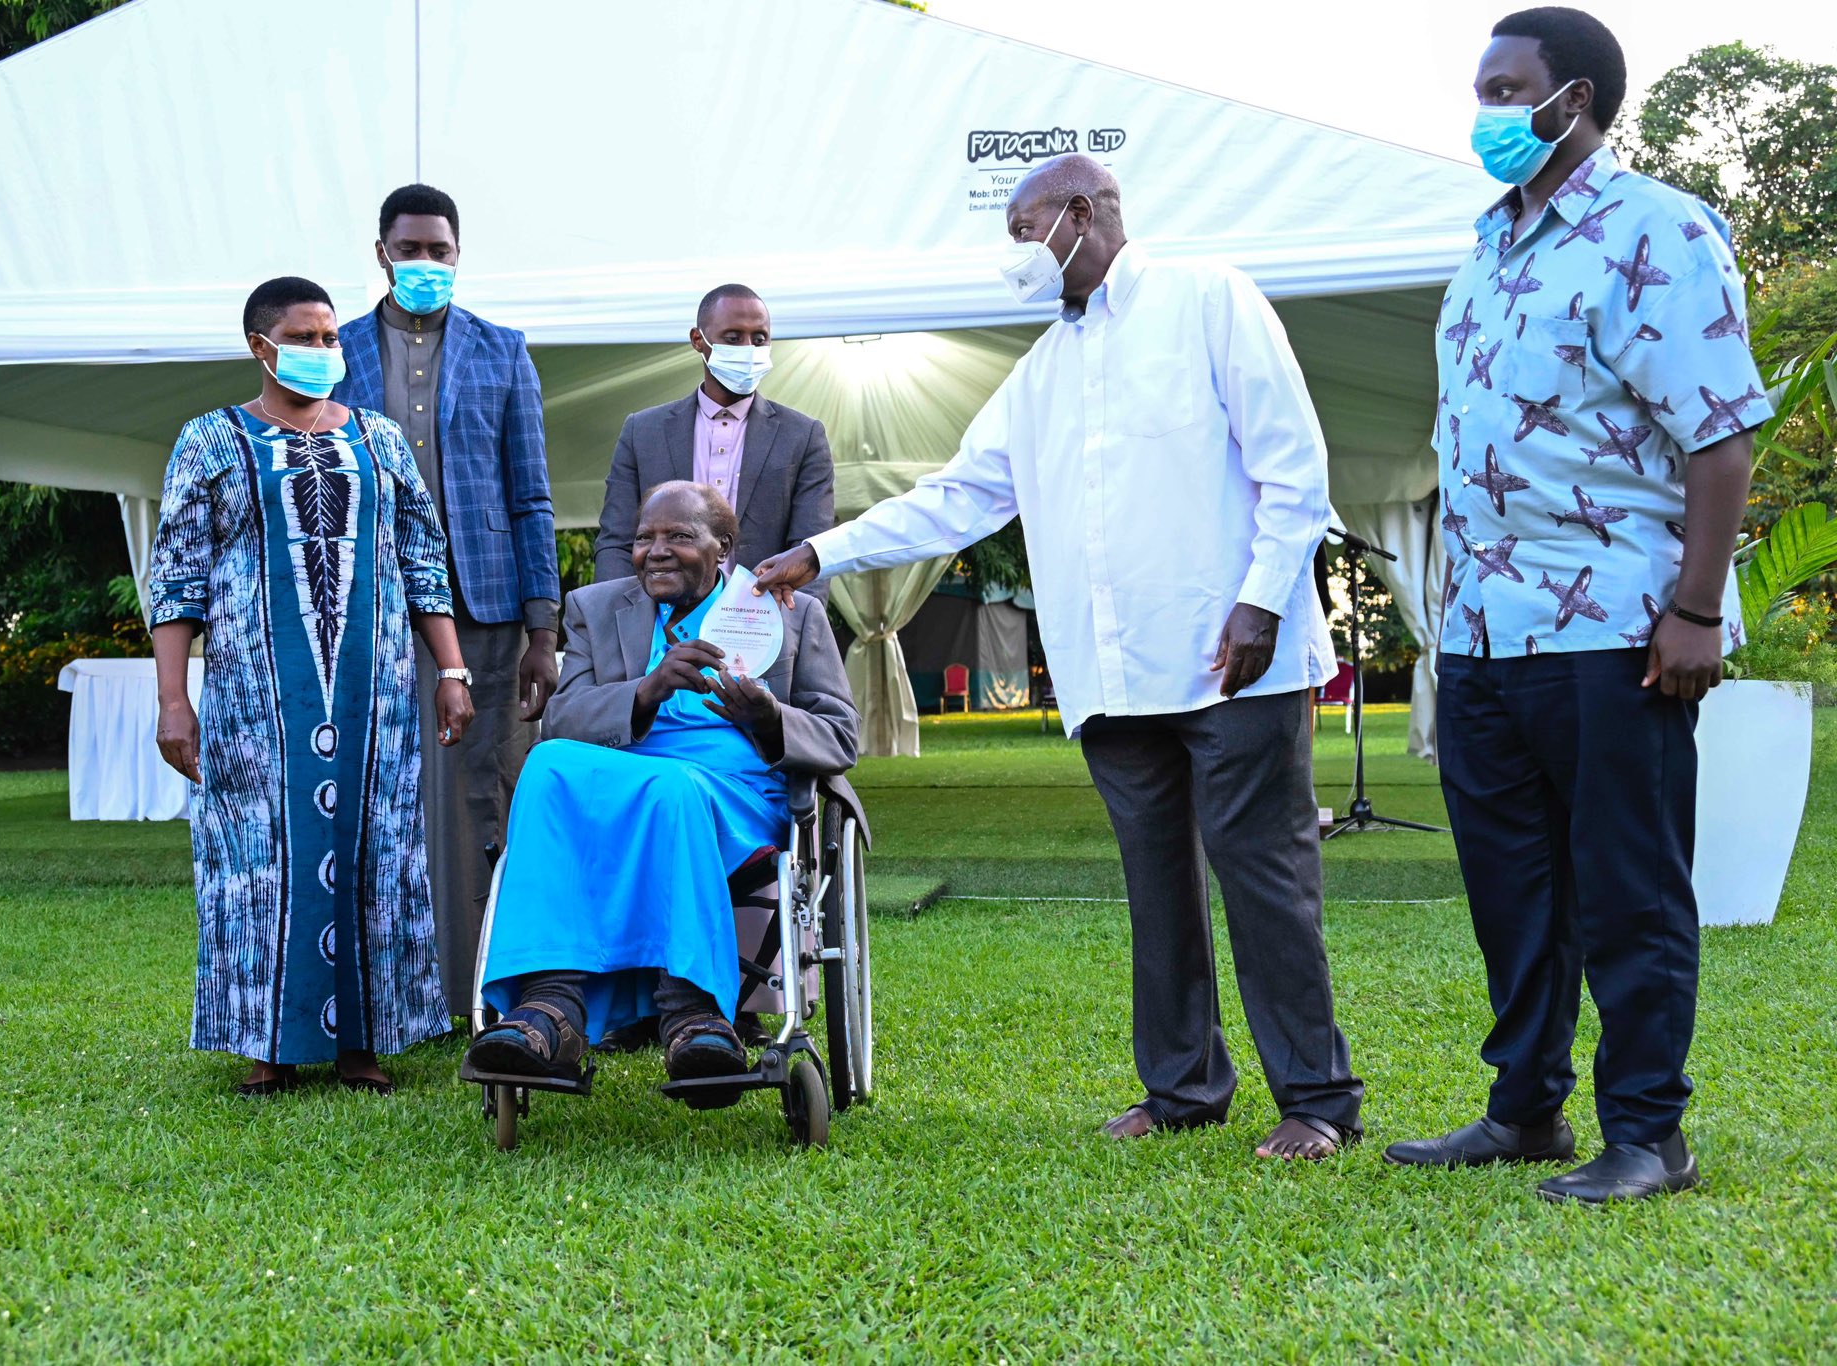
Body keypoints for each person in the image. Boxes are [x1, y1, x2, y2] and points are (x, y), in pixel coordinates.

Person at [755, 154, 1364, 1161]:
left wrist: (1260, 603)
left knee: (1264, 880)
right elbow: (955, 496)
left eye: (1022, 230)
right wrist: (823, 550)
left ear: (1081, 214)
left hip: (1230, 661)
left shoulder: (1206, 300)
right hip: (1111, 678)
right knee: (1155, 885)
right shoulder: (1040, 372)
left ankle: (1315, 1101)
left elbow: (1291, 464)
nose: (1016, 257)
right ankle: (1181, 1088)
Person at [1383, 8, 1765, 1204]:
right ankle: (1524, 1111)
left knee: (1625, 884)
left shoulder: (1655, 230)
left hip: (1614, 626)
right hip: (1486, 633)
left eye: (1507, 89)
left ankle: (1649, 1133)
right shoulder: (1487, 247)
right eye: (1481, 89)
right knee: (1512, 888)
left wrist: (1693, 612)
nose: (1485, 112)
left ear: (1577, 98)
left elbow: (1719, 436)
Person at [149, 276, 471, 1096]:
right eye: (307, 337)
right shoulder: (212, 440)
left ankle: (365, 1043)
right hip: (258, 696)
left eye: (331, 338)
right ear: (262, 347)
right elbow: (177, 578)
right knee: (259, 853)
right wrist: (173, 699)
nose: (326, 351)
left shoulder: (380, 439)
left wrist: (453, 670)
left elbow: (423, 559)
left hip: (377, 688)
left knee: (376, 845)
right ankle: (268, 1043)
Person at [467, 481, 857, 1082]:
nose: (657, 551)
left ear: (723, 547)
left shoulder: (793, 612)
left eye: (679, 536)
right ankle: (550, 1006)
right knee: (547, 766)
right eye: (644, 538)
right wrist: (646, 690)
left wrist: (768, 717)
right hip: (628, 773)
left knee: (673, 788)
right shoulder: (595, 608)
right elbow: (563, 720)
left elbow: (841, 736)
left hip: (732, 789)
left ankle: (692, 1011)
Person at [330, 184, 562, 1031]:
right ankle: (391, 996)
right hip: (373, 608)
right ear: (381, 252)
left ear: (459, 254)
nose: (427, 264)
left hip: (489, 609)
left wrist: (545, 627)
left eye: (442, 251)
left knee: (486, 797)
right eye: (412, 250)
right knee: (386, 794)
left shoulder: (504, 351)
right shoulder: (339, 348)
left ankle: (489, 990)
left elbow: (531, 498)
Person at [594, 284, 834, 594]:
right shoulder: (643, 431)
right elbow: (617, 541)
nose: (749, 348)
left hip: (762, 622)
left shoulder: (803, 436)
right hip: (659, 624)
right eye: (733, 338)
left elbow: (812, 548)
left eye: (759, 339)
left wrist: (795, 631)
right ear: (698, 340)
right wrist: (619, 624)